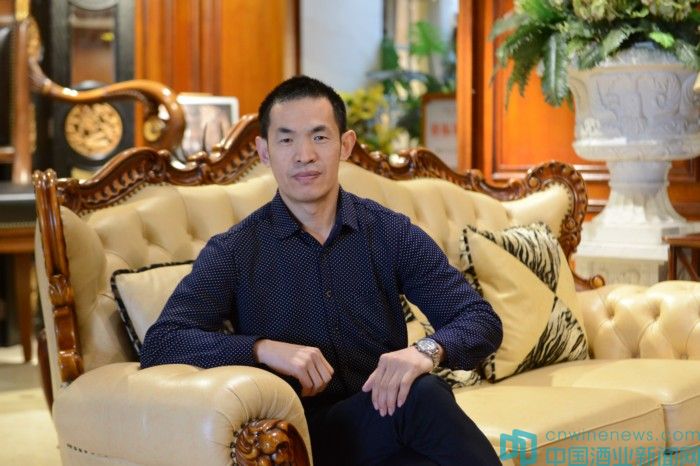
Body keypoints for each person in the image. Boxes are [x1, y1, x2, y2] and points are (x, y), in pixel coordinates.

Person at [140, 75, 503, 466]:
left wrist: (424, 352)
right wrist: (262, 349)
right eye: (286, 140)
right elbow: (163, 342)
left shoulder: (389, 232)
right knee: (425, 397)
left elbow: (479, 320)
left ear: (345, 145)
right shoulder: (235, 251)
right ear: (264, 151)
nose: (304, 155)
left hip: (385, 420)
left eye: (319, 137)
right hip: (295, 440)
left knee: (424, 417)